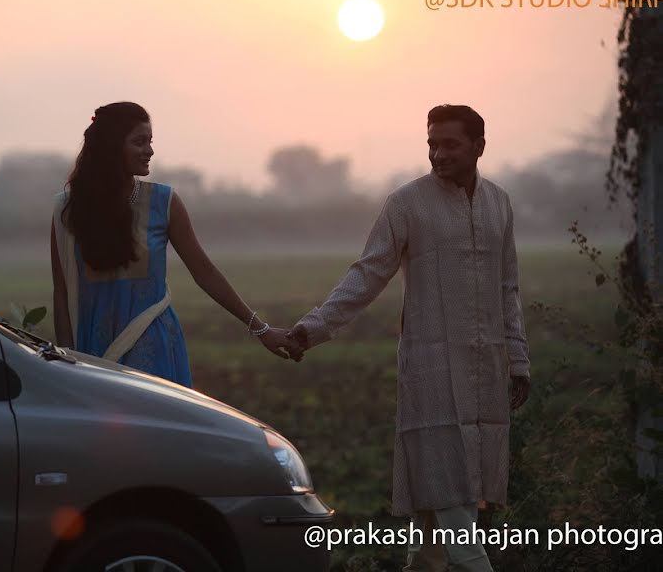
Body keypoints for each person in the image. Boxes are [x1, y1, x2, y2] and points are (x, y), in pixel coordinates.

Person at [287, 105, 530, 571]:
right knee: (456, 513)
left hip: (486, 374)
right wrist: (310, 330)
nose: (438, 154)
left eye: (450, 144)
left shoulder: (499, 204)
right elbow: (368, 275)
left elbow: (508, 288)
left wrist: (517, 361)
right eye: (432, 144)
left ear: (479, 146)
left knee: (432, 536)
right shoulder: (407, 204)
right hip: (432, 376)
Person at [51, 102, 300, 388]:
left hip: (153, 347)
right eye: (139, 142)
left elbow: (204, 272)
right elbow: (62, 292)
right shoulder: (68, 211)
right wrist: (66, 362)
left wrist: (261, 329)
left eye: (150, 141)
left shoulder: (164, 203)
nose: (150, 151)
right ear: (110, 147)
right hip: (91, 352)